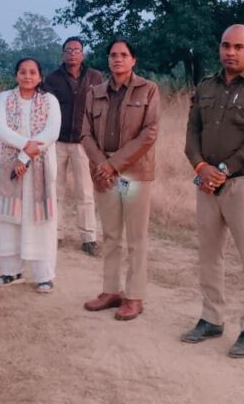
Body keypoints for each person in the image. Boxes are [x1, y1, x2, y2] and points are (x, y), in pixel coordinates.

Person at [181, 24, 244, 358]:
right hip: (206, 184)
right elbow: (192, 132)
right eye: (225, 46)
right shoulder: (206, 86)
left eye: (238, 47)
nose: (230, 52)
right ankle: (211, 318)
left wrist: (223, 170)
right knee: (209, 254)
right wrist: (200, 167)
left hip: (240, 184)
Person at [80, 39, 161, 321]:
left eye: (123, 55)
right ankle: (111, 291)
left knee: (136, 237)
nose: (118, 59)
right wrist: (102, 165)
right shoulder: (95, 92)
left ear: (133, 60)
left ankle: (134, 296)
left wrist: (114, 164)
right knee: (111, 235)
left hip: (133, 174)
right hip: (105, 173)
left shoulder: (148, 89)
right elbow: (85, 133)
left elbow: (149, 133)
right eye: (113, 55)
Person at [0, 58, 62, 292]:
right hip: (11, 170)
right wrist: (25, 148)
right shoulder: (4, 98)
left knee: (41, 221)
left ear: (40, 77)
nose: (27, 76)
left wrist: (24, 158)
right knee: (10, 221)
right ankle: (11, 272)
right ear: (16, 75)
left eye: (32, 72)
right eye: (23, 72)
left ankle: (44, 276)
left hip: (39, 170)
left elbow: (52, 132)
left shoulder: (49, 100)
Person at [44, 37, 104, 256]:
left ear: (82, 54)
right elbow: (45, 109)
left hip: (83, 142)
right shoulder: (52, 78)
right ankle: (55, 233)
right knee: (54, 189)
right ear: (63, 54)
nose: (72, 53)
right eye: (68, 50)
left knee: (85, 192)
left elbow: (101, 107)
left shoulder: (95, 77)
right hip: (57, 141)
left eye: (76, 50)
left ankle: (88, 238)